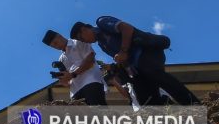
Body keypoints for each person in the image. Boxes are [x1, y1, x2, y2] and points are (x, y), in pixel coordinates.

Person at [71, 16, 199, 106]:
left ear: (84, 29)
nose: (85, 42)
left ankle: (193, 104)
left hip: (147, 52)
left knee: (157, 76)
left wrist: (123, 51)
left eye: (82, 38)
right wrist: (119, 65)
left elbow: (127, 28)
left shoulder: (101, 22)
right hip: (136, 67)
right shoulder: (102, 45)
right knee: (143, 96)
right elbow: (123, 59)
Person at [42, 29, 107, 105]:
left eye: (55, 43)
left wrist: (72, 74)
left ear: (60, 36)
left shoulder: (78, 42)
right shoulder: (61, 59)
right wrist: (64, 80)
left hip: (91, 83)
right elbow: (68, 82)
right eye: (53, 46)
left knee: (98, 110)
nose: (56, 46)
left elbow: (90, 61)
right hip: (75, 92)